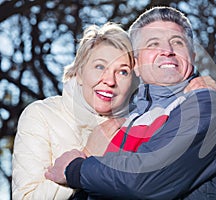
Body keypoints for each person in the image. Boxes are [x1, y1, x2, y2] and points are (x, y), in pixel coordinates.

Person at [45, 6, 216, 199]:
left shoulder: (207, 105)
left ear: (192, 56)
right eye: (153, 44)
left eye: (177, 42)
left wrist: (75, 169)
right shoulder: (126, 117)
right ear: (136, 64)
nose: (167, 51)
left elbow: (146, 180)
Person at [12, 22, 138, 200]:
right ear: (79, 72)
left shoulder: (140, 125)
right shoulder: (41, 115)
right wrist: (87, 155)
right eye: (100, 66)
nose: (110, 80)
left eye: (123, 72)